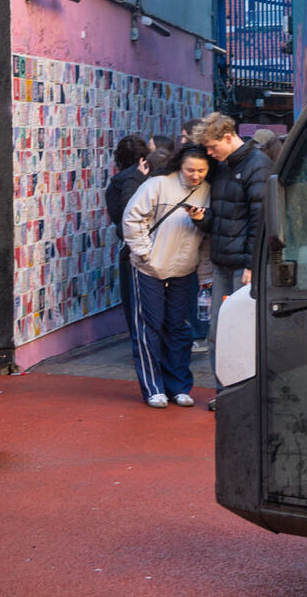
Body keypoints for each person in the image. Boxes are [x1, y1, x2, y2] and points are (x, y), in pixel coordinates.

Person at [121, 145, 212, 408]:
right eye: (190, 170)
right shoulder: (157, 185)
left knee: (179, 328)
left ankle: (179, 387)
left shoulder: (207, 191)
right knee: (150, 327)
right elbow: (132, 218)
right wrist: (144, 254)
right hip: (150, 269)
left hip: (184, 269)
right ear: (179, 166)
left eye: (201, 171)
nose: (196, 175)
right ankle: (153, 388)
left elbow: (206, 237)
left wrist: (204, 272)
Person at [198, 112, 273, 408]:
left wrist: (252, 266)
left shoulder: (256, 165)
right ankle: (227, 394)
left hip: (241, 266)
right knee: (220, 332)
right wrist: (204, 219)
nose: (208, 152)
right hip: (225, 262)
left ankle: (238, 395)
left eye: (211, 145)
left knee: (236, 333)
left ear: (228, 137)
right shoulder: (227, 166)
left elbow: (260, 220)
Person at [105, 134, 151, 340]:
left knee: (132, 300)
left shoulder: (115, 186)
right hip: (155, 245)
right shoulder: (153, 180)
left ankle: (138, 345)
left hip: (130, 249)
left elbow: (119, 218)